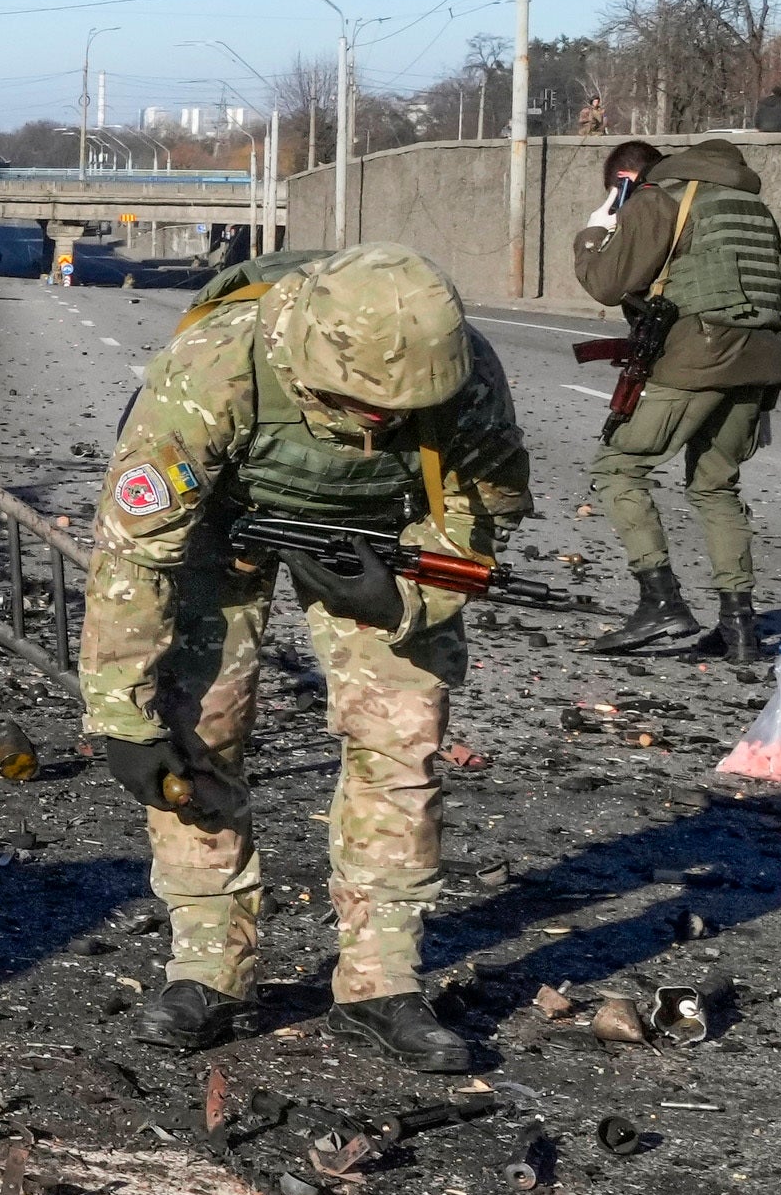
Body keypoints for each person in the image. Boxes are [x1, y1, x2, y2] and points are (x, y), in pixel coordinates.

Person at [79, 245, 535, 1074]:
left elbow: (480, 516)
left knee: (402, 738)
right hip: (224, 518)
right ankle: (210, 968)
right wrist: (121, 713)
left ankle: (380, 980)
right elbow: (136, 554)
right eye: (361, 409)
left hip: (390, 537)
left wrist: (403, 602)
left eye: (398, 413)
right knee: (199, 728)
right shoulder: (215, 365)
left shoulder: (461, 373)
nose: (381, 426)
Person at [574, 135, 781, 664]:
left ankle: (661, 600)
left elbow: (606, 283)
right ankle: (739, 628)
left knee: (618, 468)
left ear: (626, 181)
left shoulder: (662, 196)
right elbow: (777, 291)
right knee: (715, 484)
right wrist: (767, 396)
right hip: (763, 356)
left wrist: (597, 229)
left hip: (702, 352)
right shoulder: (750, 205)